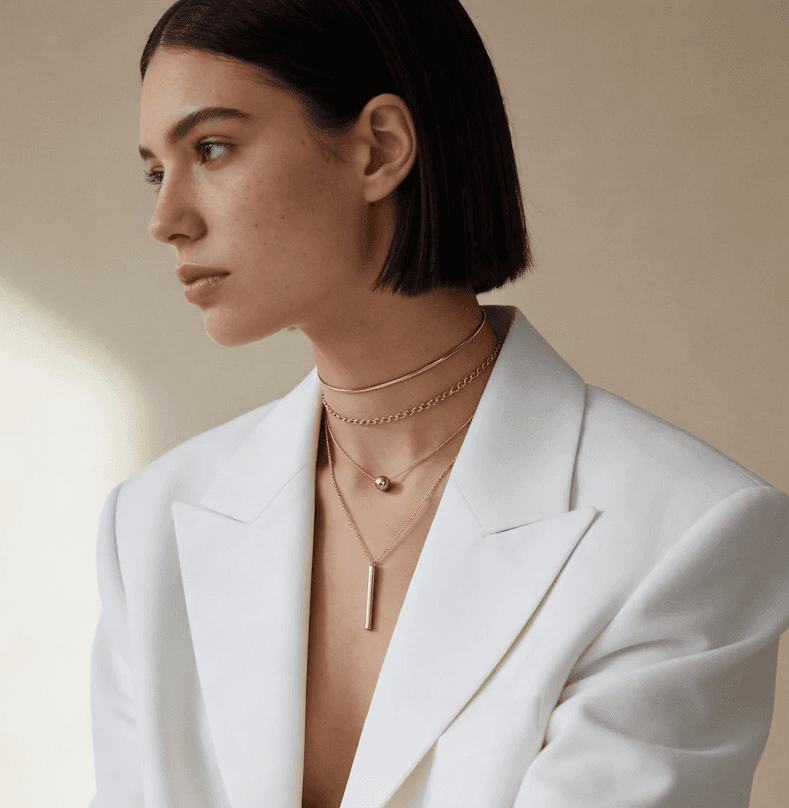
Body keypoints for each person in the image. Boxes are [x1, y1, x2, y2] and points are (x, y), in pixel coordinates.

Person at [89, 1, 789, 806]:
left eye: (211, 148)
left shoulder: (684, 532)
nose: (164, 219)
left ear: (379, 148)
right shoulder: (150, 525)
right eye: (154, 169)